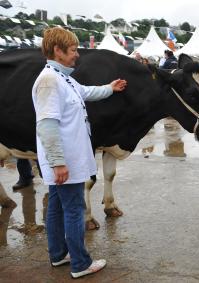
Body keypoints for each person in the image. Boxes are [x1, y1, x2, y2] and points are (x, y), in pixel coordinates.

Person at [32, 27, 127, 279]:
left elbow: (86, 92)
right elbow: (47, 125)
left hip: (65, 160)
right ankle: (80, 263)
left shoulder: (63, 78)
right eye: (73, 50)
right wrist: (58, 162)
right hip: (65, 161)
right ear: (58, 51)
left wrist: (109, 87)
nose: (76, 55)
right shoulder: (49, 81)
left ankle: (58, 254)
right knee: (74, 209)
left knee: (56, 207)